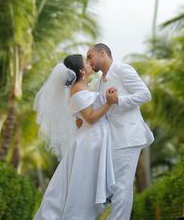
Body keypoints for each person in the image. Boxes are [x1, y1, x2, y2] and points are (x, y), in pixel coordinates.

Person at [33, 54, 117, 220]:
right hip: (89, 142)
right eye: (86, 61)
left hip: (92, 138)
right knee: (82, 188)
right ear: (81, 70)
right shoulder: (77, 89)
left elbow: (83, 118)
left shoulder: (83, 87)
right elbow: (91, 118)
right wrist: (109, 102)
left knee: (82, 186)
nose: (89, 62)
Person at [82, 43, 154, 220]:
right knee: (114, 187)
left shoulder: (122, 69)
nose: (88, 61)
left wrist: (118, 100)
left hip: (129, 137)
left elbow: (145, 94)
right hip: (113, 140)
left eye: (90, 56)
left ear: (103, 53)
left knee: (122, 186)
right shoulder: (98, 83)